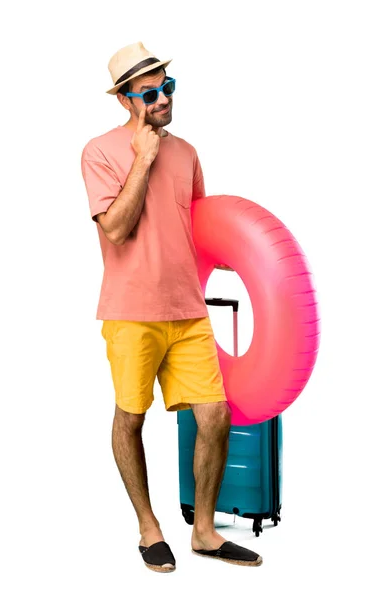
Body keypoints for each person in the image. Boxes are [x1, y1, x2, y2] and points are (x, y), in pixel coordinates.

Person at [81, 41, 262, 573]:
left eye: (168, 88)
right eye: (150, 93)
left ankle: (204, 532)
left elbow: (197, 225)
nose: (162, 99)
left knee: (216, 416)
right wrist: (143, 157)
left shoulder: (186, 152)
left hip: (187, 308)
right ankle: (149, 528)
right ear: (125, 101)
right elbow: (114, 228)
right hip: (131, 311)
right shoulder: (100, 151)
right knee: (130, 419)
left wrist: (242, 257)